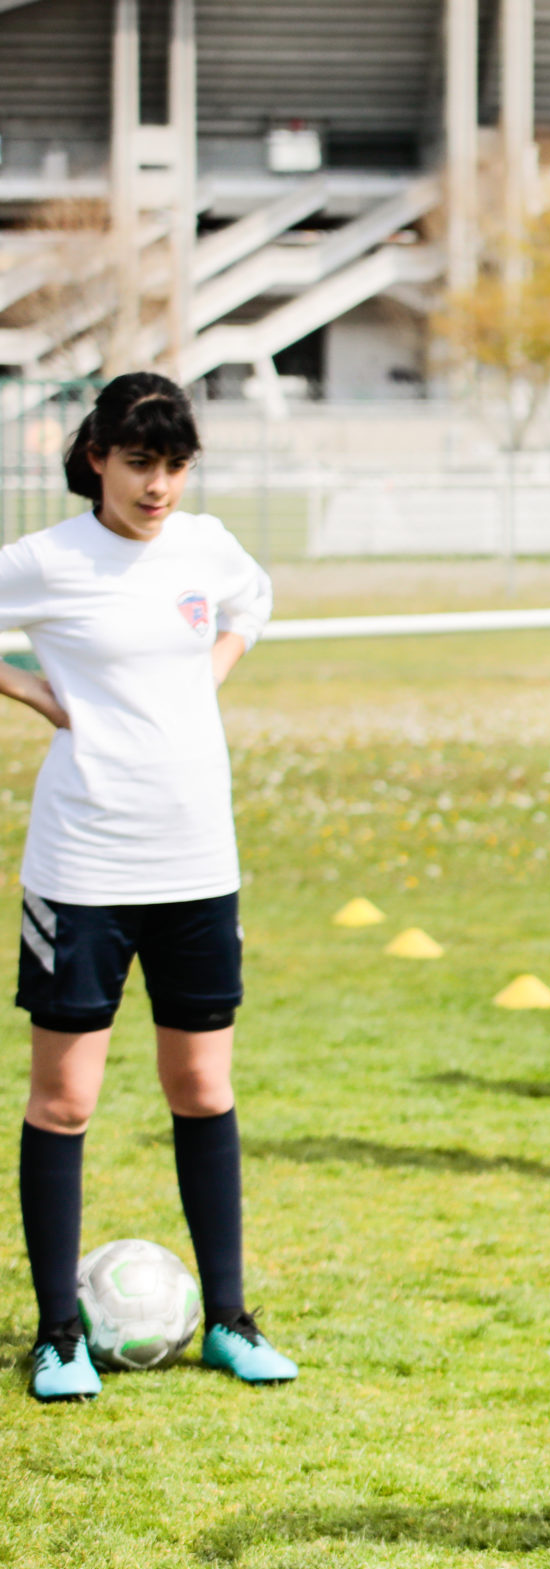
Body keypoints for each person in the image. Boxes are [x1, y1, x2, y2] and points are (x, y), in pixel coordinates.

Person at [1, 372, 292, 1401]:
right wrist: (35, 691)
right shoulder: (47, 560)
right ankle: (58, 1336)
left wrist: (207, 670)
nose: (158, 485)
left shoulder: (206, 546)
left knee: (203, 1088)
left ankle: (228, 1318)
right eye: (139, 464)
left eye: (173, 466)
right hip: (83, 867)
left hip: (196, 862)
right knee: (66, 1102)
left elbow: (251, 601)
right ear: (96, 460)